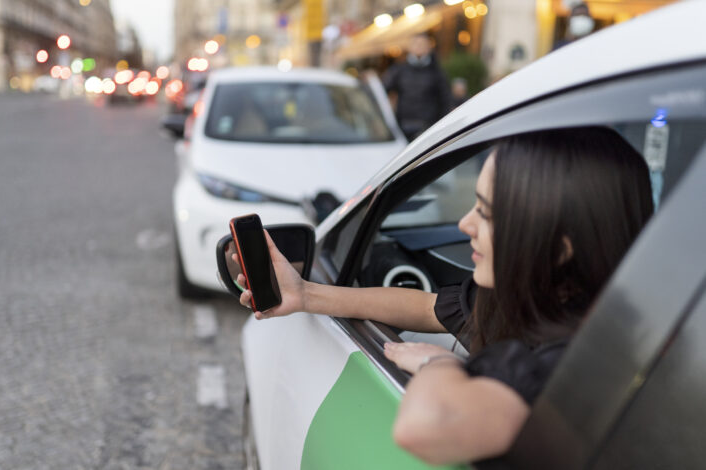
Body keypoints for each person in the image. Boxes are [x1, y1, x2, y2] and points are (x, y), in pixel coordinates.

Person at [234, 127, 653, 464]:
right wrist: (306, 294)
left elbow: (422, 427)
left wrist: (438, 364)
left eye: (487, 213)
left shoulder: (569, 366)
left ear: (560, 248)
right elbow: (428, 307)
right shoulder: (557, 300)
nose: (465, 224)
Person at [383, 33, 451, 141]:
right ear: (410, 47)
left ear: (429, 47)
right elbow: (383, 89)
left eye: (422, 44)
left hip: (428, 127)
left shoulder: (437, 73)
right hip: (403, 126)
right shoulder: (400, 70)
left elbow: (446, 100)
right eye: (415, 44)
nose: (418, 47)